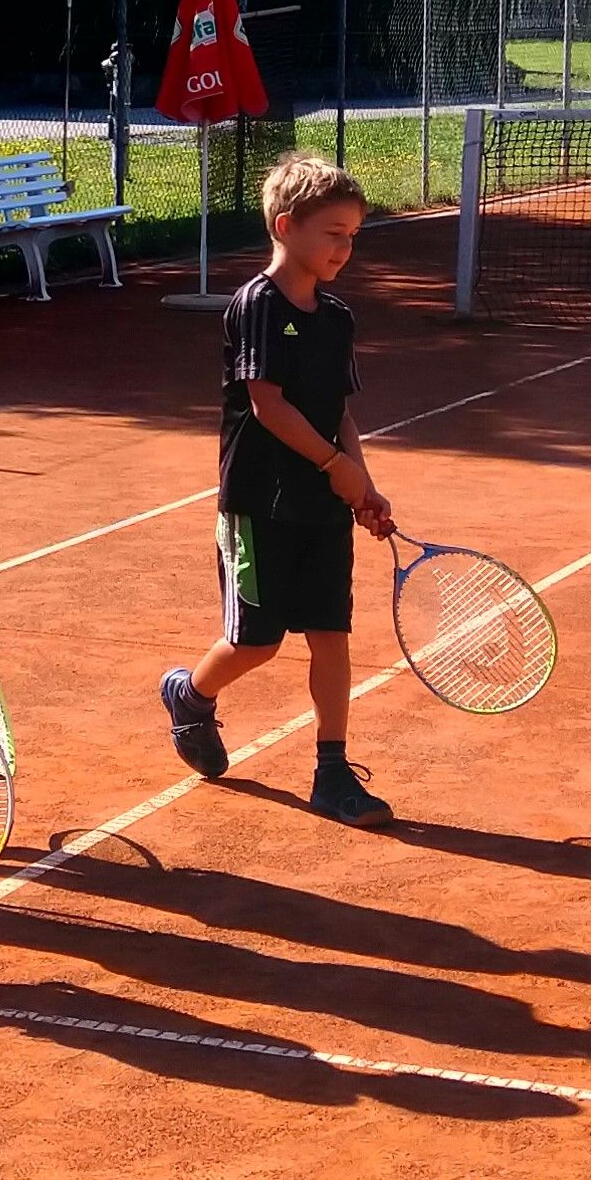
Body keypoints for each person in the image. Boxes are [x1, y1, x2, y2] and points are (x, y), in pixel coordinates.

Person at [159, 153, 395, 828]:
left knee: (331, 634)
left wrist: (361, 484)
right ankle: (190, 696)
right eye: (333, 233)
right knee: (257, 643)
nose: (344, 248)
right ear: (287, 226)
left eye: (352, 235)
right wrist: (335, 465)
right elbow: (269, 405)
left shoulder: (338, 316)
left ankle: (332, 771)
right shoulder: (258, 305)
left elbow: (338, 411)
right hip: (259, 504)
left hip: (322, 506)